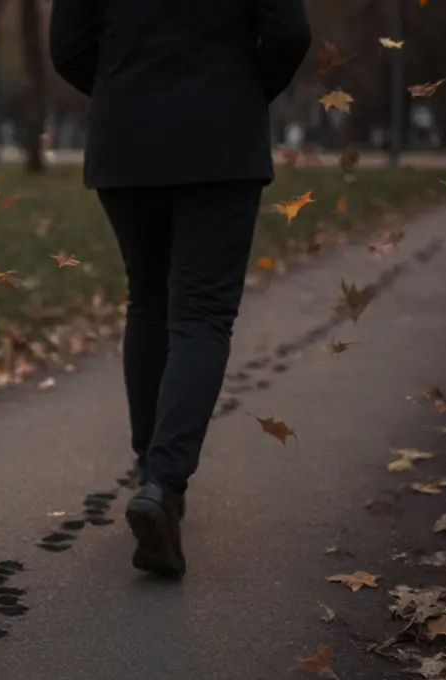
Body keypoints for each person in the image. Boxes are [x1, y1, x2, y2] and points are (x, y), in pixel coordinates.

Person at [49, 0, 311, 578]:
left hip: (127, 136)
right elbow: (289, 32)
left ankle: (152, 470)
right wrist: (241, 90)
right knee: (202, 315)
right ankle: (164, 484)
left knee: (148, 300)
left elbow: (68, 47)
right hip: (220, 134)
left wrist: (129, 91)